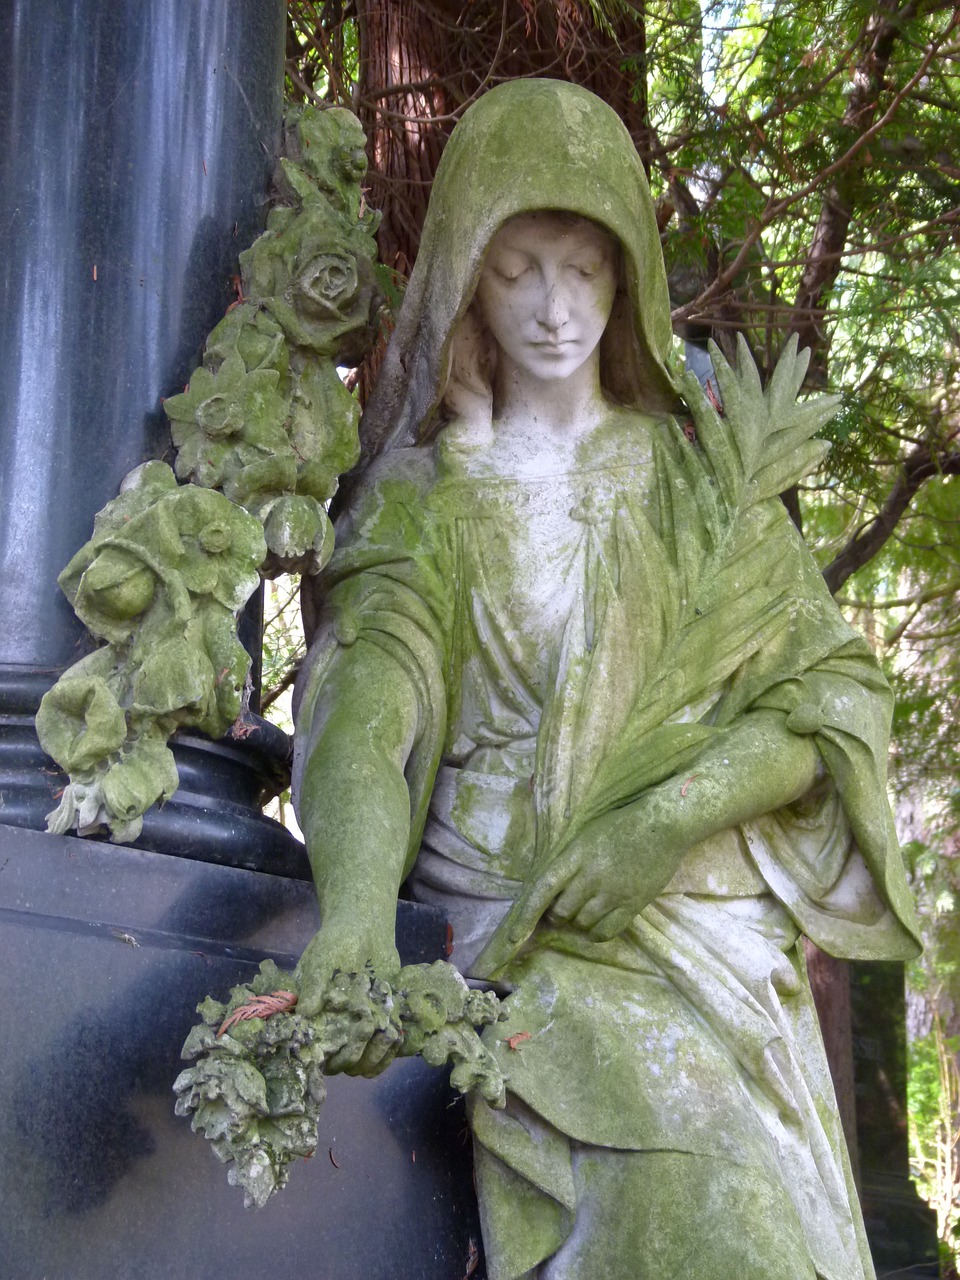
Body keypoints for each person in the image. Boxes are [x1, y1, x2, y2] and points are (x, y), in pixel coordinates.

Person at [292, 79, 920, 1279]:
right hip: (523, 924)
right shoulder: (430, 500)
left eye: (585, 268)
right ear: (468, 273)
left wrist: (666, 816)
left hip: (687, 923)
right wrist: (359, 913)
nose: (553, 307)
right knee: (702, 1207)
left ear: (628, 275)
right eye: (519, 266)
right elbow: (371, 705)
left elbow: (826, 703)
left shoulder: (691, 485)